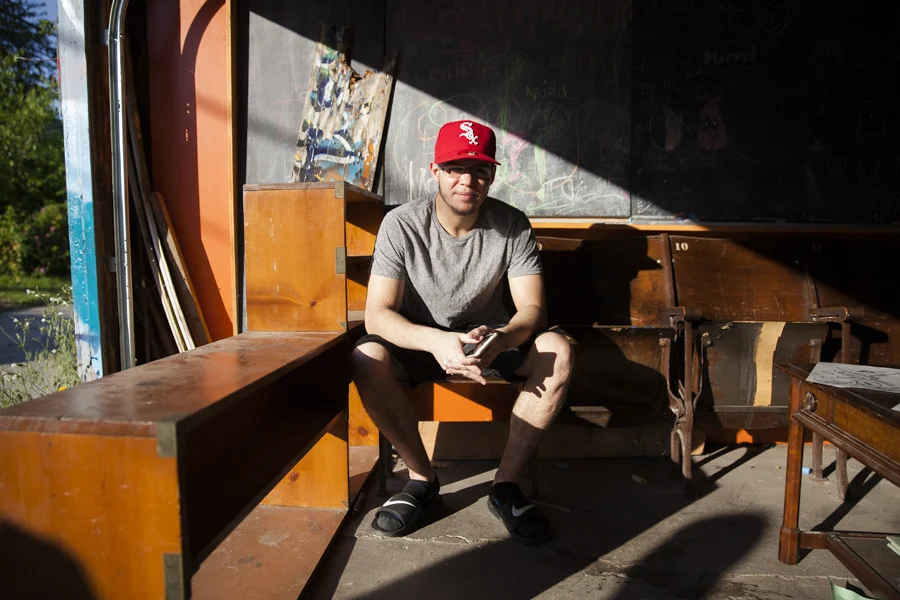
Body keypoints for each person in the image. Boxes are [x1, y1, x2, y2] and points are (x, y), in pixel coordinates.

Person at [350, 119, 573, 546]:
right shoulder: (401, 224)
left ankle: (505, 486)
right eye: (455, 168)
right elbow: (377, 316)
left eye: (479, 170)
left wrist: (502, 338)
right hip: (420, 340)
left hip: (488, 340)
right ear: (435, 170)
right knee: (367, 356)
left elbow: (533, 310)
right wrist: (435, 341)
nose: (467, 181)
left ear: (492, 174)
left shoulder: (512, 224)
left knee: (557, 349)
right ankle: (421, 480)